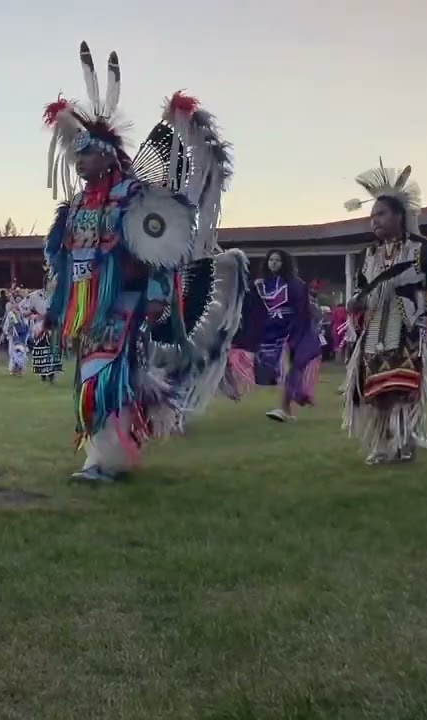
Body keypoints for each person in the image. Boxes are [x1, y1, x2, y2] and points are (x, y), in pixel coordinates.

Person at [41, 41, 243, 482]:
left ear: (108, 154)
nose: (78, 160)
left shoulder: (133, 197)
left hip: (124, 303)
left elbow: (163, 251)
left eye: (86, 152)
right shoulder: (75, 207)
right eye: (75, 153)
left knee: (109, 373)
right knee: (95, 375)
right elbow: (64, 258)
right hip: (87, 308)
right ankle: (103, 454)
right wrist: (58, 306)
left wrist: (154, 294)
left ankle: (106, 459)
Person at [341, 162, 427, 464]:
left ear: (400, 216)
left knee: (404, 387)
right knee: (377, 390)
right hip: (375, 329)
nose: (374, 221)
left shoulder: (424, 249)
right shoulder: (370, 254)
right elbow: (362, 289)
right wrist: (354, 303)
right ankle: (381, 443)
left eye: (381, 214)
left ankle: (405, 442)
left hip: (411, 327)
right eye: (371, 216)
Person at [231, 250, 322, 422]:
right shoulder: (258, 285)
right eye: (271, 260)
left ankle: (284, 408)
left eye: (277, 260)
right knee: (262, 365)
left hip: (291, 330)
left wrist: (298, 331)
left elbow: (302, 310)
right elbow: (250, 307)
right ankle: (290, 401)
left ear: (284, 263)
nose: (273, 263)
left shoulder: (295, 284)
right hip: (268, 331)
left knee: (291, 367)